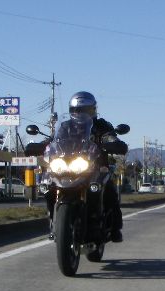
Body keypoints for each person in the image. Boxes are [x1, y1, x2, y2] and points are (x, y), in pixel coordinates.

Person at [45, 91, 127, 242]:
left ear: (93, 110)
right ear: (71, 111)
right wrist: (41, 145)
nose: (81, 114)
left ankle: (115, 228)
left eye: (85, 110)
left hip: (96, 167)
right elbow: (52, 141)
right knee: (48, 188)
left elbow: (110, 137)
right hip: (67, 166)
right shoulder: (65, 126)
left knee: (109, 190)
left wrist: (114, 143)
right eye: (77, 110)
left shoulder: (101, 125)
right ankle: (54, 222)